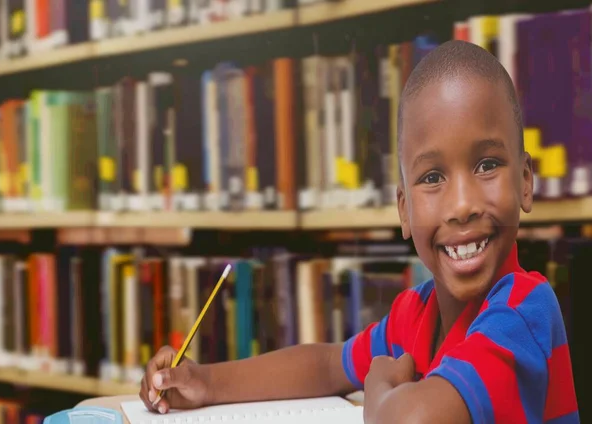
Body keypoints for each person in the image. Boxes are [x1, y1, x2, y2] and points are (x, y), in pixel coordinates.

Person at [138, 40, 579, 423]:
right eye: (431, 177)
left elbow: (410, 420)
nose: (461, 206)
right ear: (403, 211)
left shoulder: (522, 312)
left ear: (524, 181)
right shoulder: (415, 314)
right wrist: (206, 382)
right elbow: (328, 364)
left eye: (487, 165)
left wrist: (380, 392)